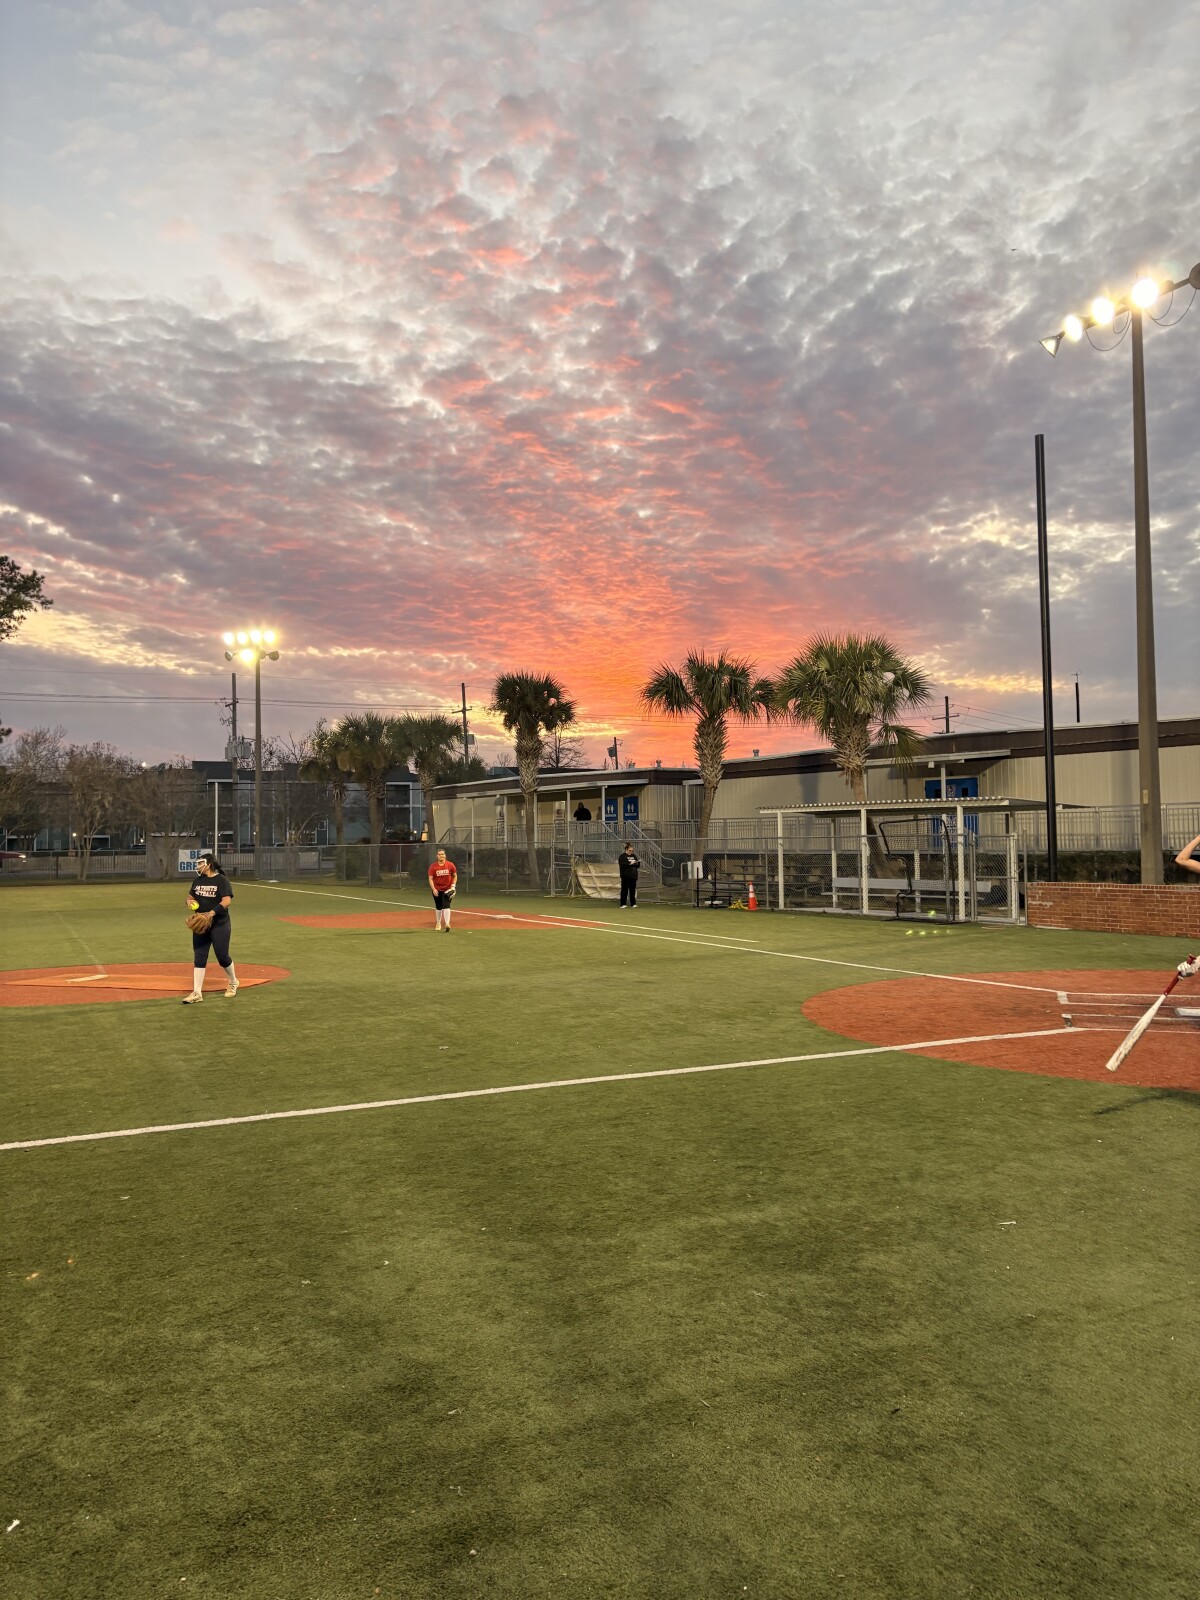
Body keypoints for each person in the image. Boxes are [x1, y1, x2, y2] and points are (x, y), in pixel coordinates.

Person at [182, 851, 237, 1003]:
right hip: (202, 924)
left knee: (222, 957)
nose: (198, 866)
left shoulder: (221, 880)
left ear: (209, 865)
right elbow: (190, 897)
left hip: (219, 924)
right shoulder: (198, 880)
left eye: (201, 863)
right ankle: (197, 993)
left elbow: (226, 901)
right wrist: (189, 902)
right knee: (199, 957)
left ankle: (233, 981)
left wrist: (211, 913)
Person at [428, 848, 458, 931]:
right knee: (438, 907)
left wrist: (453, 886)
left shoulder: (450, 865)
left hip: (447, 889)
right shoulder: (433, 866)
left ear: (445, 855)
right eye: (439, 854)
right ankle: (438, 923)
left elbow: (454, 875)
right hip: (437, 889)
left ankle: (447, 924)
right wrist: (433, 889)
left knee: (446, 905)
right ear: (436, 856)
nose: (441, 856)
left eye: (442, 854)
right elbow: (430, 879)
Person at [618, 842, 640, 908]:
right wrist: (629, 863)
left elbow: (637, 865)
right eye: (630, 850)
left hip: (633, 876)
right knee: (624, 890)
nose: (631, 852)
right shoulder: (622, 856)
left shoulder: (634, 856)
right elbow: (622, 864)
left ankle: (633, 903)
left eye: (632, 850)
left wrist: (636, 863)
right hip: (625, 876)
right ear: (626, 849)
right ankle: (623, 904)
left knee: (632, 890)